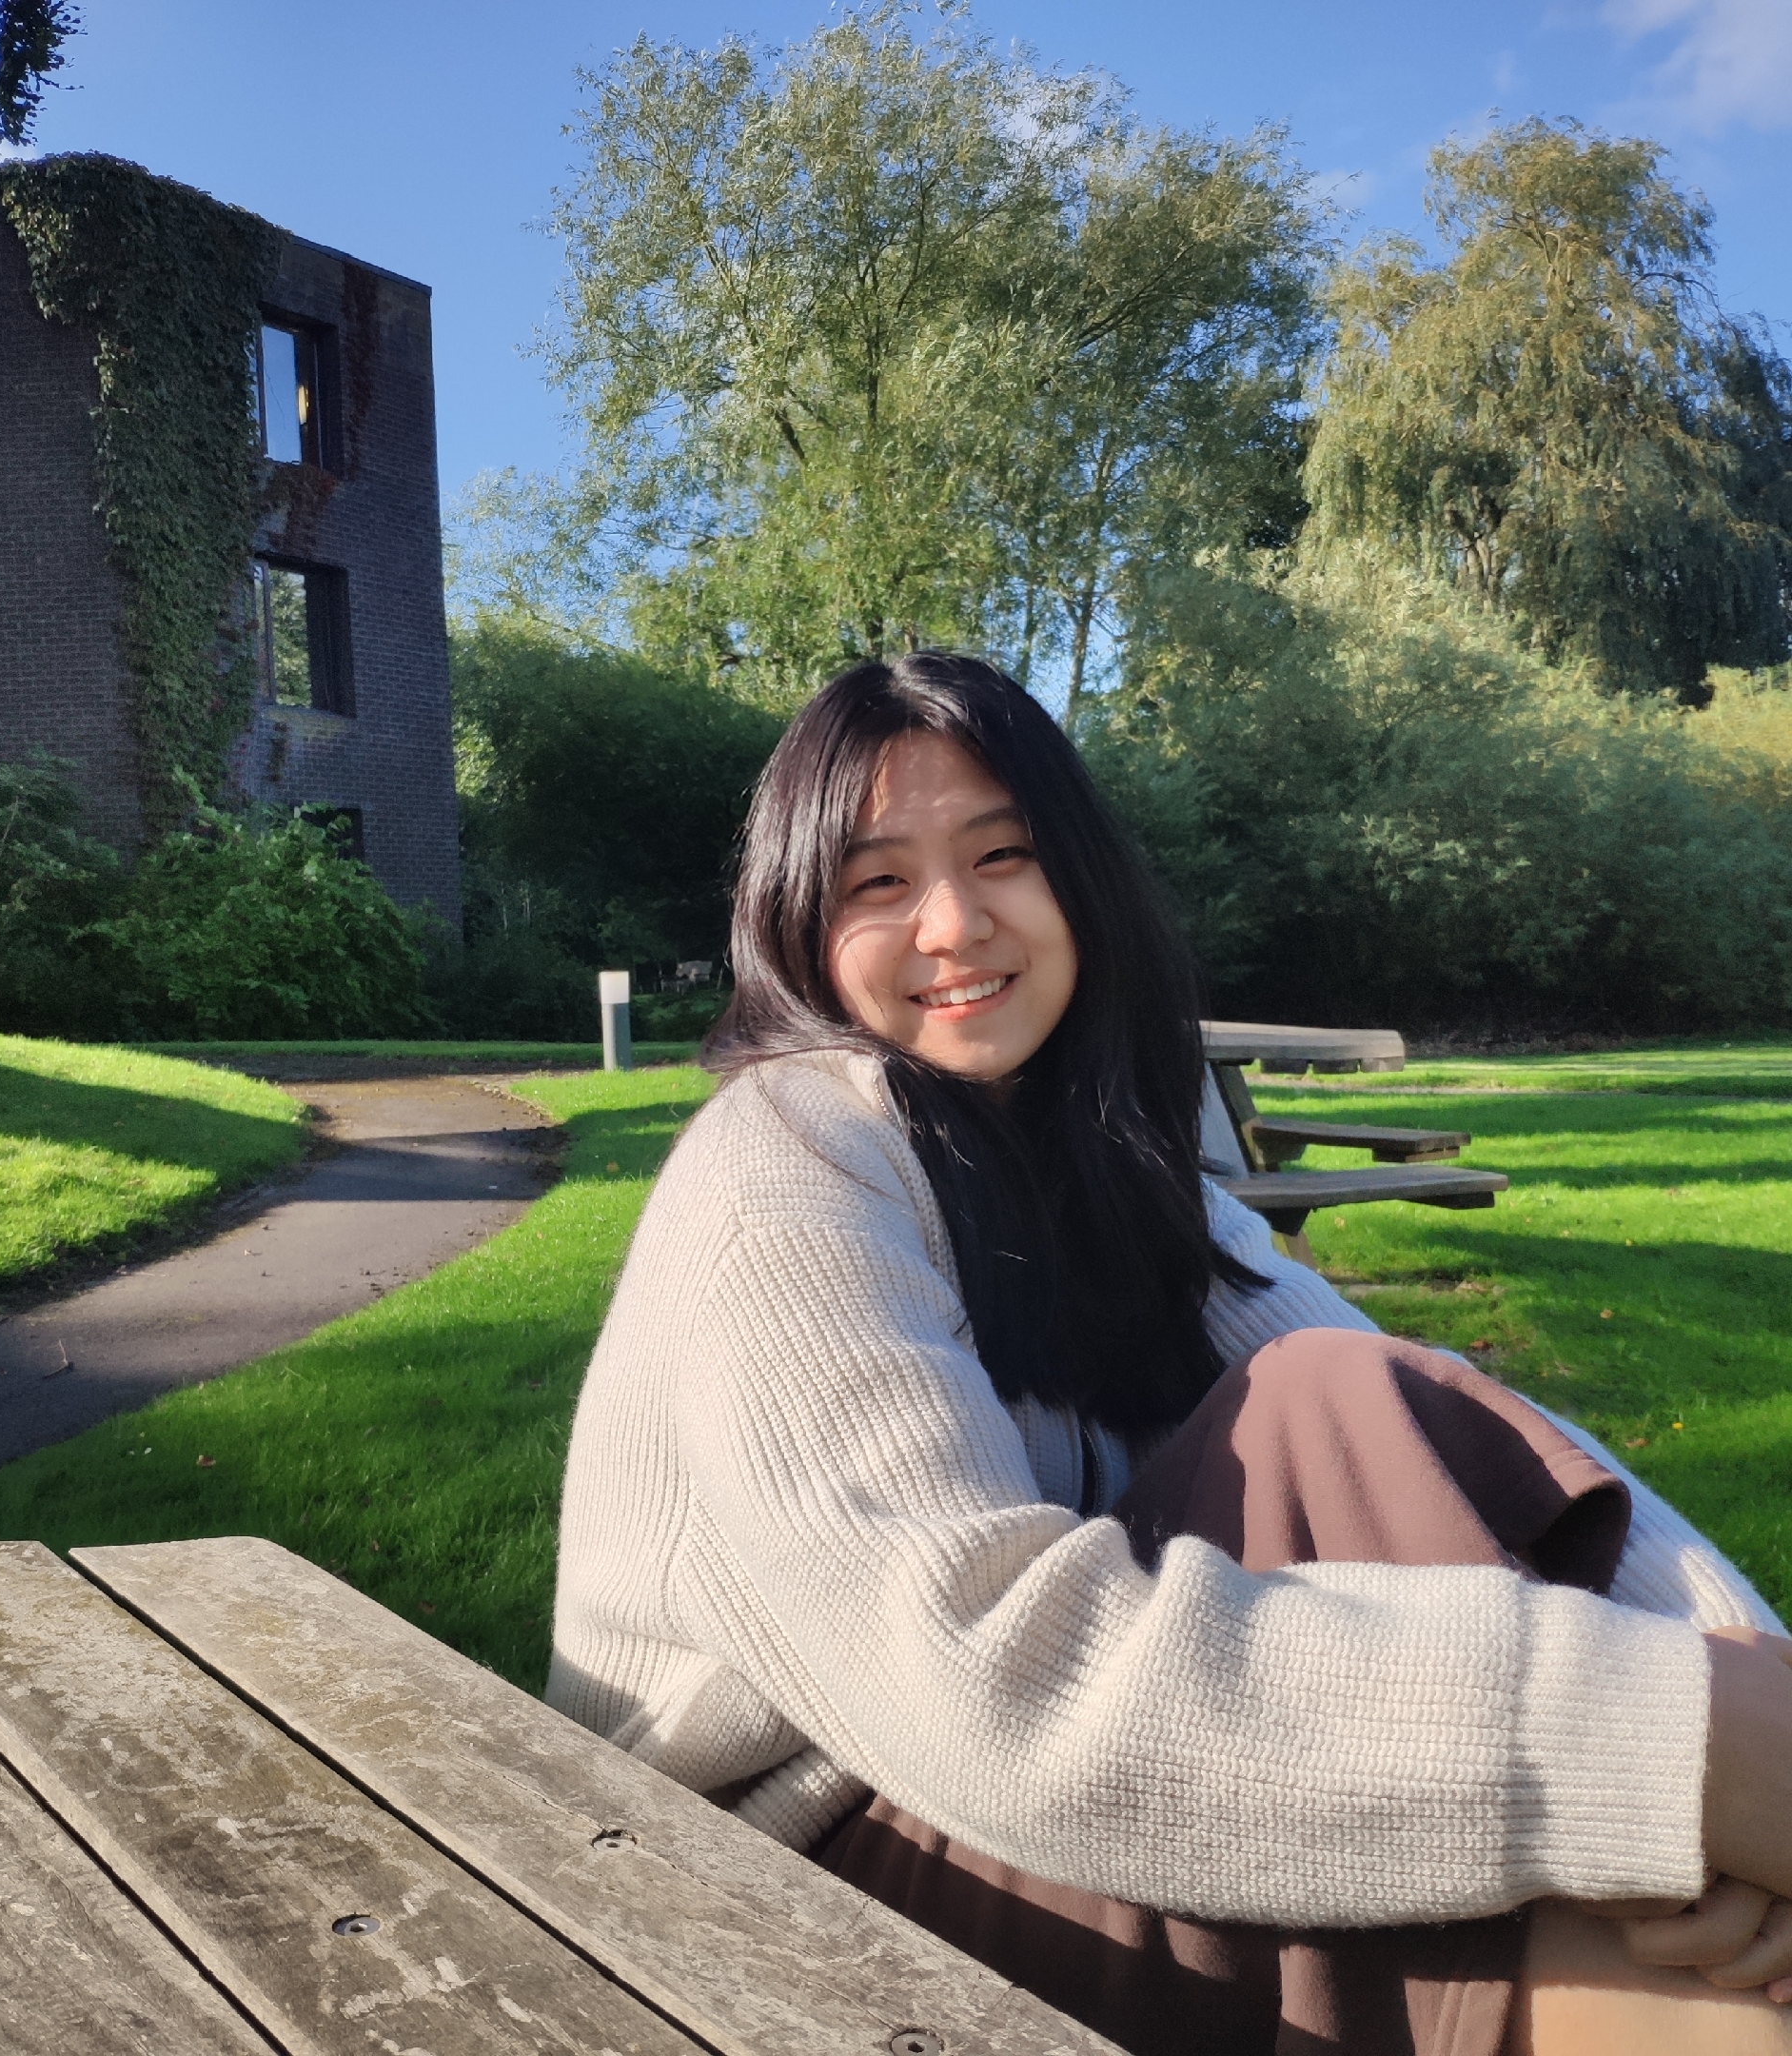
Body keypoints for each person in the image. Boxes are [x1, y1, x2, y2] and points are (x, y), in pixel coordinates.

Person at [547, 652, 1792, 2056]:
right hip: (750, 1896)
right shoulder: (782, 1156)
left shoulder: (1119, 1177)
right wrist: (1670, 1748)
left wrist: (1744, 1688)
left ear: (1082, 881)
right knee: (1652, 1966)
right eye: (877, 883)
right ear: (795, 925)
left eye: (1004, 855)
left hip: (1013, 1804)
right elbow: (976, 1677)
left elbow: (1424, 1431)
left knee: (1333, 1397)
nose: (955, 925)